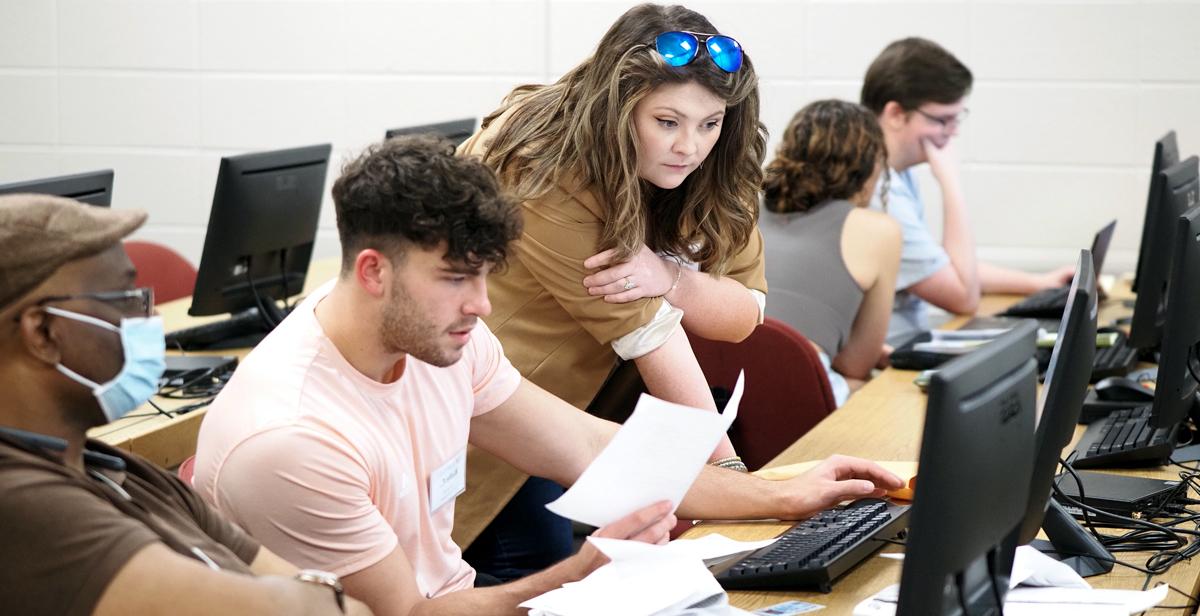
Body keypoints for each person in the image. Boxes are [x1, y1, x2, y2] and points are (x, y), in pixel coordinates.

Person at [193, 136, 904, 616]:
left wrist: (780, 497)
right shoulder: (292, 438)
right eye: (456, 280)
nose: (483, 305)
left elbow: (591, 450)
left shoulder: (438, 338)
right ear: (373, 272)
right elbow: (411, 615)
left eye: (485, 277)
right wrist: (577, 574)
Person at [457, 2, 768, 579]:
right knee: (524, 580)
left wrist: (670, 277)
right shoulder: (541, 166)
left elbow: (745, 313)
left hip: (560, 419)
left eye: (710, 123)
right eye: (667, 122)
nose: (689, 148)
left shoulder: (705, 163)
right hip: (478, 428)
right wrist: (744, 495)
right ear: (617, 105)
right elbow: (653, 338)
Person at [0, 194, 370, 616]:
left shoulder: (122, 473)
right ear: (43, 332)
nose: (152, 317)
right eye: (126, 298)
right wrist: (315, 594)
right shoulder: (20, 505)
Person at [861, 37, 1074, 345]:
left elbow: (940, 268)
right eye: (942, 120)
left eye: (956, 119)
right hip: (887, 361)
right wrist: (950, 182)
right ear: (895, 114)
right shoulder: (880, 193)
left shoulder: (897, 175)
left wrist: (1040, 284)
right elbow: (963, 296)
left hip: (905, 341)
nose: (953, 132)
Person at [760, 99, 901, 405]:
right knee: (868, 387)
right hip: (796, 389)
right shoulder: (878, 230)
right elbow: (855, 365)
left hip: (713, 383)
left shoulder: (741, 206)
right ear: (870, 166)